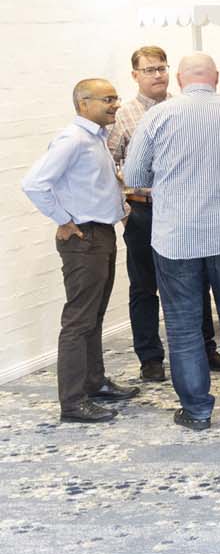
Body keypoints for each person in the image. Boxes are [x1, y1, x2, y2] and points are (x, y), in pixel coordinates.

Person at [124, 54, 220, 431]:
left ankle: (196, 410)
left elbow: (135, 174)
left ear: (178, 78)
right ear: (216, 77)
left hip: (175, 239)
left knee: (183, 325)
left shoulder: (157, 116)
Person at [22, 78, 139, 423]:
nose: (116, 104)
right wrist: (63, 219)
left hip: (101, 234)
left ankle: (94, 382)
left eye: (116, 98)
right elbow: (34, 184)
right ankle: (72, 403)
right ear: (83, 104)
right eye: (108, 99)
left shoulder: (96, 138)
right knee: (78, 321)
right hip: (84, 238)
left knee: (94, 316)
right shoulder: (72, 139)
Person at [107, 45, 220, 381]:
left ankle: (205, 348)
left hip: (184, 211)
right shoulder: (124, 116)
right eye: (149, 70)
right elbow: (108, 165)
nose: (157, 75)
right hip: (143, 212)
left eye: (161, 68)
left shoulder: (183, 107)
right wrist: (124, 211)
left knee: (196, 281)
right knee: (144, 287)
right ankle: (150, 358)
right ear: (135, 75)